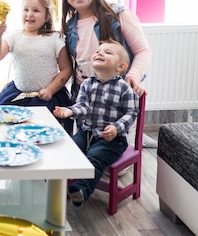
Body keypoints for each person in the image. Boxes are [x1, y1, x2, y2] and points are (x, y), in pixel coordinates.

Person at [61, 0, 154, 147]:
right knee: (84, 153)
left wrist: (132, 76)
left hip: (115, 94)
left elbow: (143, 51)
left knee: (109, 155)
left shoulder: (117, 15)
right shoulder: (69, 26)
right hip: (86, 94)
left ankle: (135, 140)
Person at [53, 40, 139, 207]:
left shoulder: (124, 89)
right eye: (98, 51)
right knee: (68, 150)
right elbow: (83, 106)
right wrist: (69, 111)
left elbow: (131, 113)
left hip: (111, 140)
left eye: (107, 52)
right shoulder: (87, 84)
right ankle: (54, 182)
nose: (99, 53)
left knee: (95, 157)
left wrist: (116, 128)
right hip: (86, 133)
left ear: (121, 66)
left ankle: (81, 189)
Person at [0, 0, 74, 134]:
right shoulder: (13, 36)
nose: (29, 14)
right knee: (9, 131)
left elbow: (66, 69)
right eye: (26, 9)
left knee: (42, 133)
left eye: (36, 10)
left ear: (47, 16)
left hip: (47, 97)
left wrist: (50, 90)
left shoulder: (55, 38)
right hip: (17, 95)